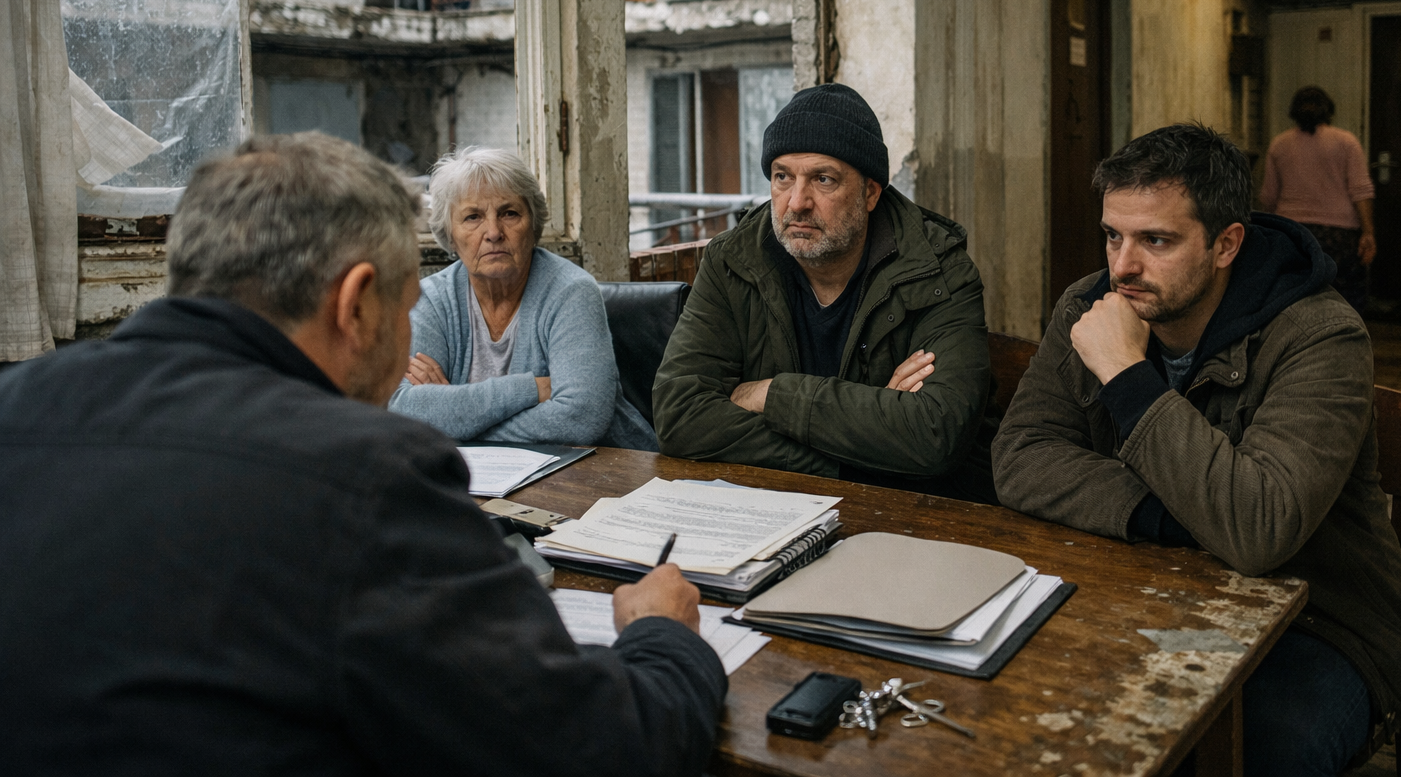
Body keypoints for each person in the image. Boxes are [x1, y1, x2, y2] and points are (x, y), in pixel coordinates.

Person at [0, 133, 725, 776]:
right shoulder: (368, 479)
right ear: (356, 305)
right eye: (407, 302)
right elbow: (605, 747)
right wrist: (663, 638)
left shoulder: (17, 408)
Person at [992, 124, 1401, 777]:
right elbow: (1021, 457)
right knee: (1018, 707)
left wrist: (1127, 377)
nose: (1121, 267)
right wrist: (1177, 519)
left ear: (1227, 244)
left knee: (1248, 750)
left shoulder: (1318, 335)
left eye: (1156, 241)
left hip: (1322, 621)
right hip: (1143, 586)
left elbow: (1259, 528)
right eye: (1113, 234)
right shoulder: (1089, 305)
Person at [653, 83, 994, 498]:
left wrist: (772, 394)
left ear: (870, 192)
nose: (797, 201)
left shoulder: (938, 270)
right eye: (782, 177)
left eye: (823, 179)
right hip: (769, 509)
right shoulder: (733, 260)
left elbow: (934, 435)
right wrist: (862, 447)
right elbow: (679, 415)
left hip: (911, 519)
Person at [388, 146, 654, 448]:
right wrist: (530, 388)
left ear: (534, 223)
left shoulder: (571, 291)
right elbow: (403, 409)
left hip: (608, 473)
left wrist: (457, 421)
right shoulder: (432, 299)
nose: (493, 232)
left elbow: (582, 419)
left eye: (509, 213)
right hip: (493, 481)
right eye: (473, 217)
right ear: (449, 234)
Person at [1260, 86, 1376, 312]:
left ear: (1293, 112)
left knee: (1295, 302)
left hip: (1293, 235)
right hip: (1339, 238)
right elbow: (1361, 191)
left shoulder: (1279, 145)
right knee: (1342, 302)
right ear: (1329, 111)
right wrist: (1368, 232)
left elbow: (1268, 197)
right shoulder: (1346, 142)